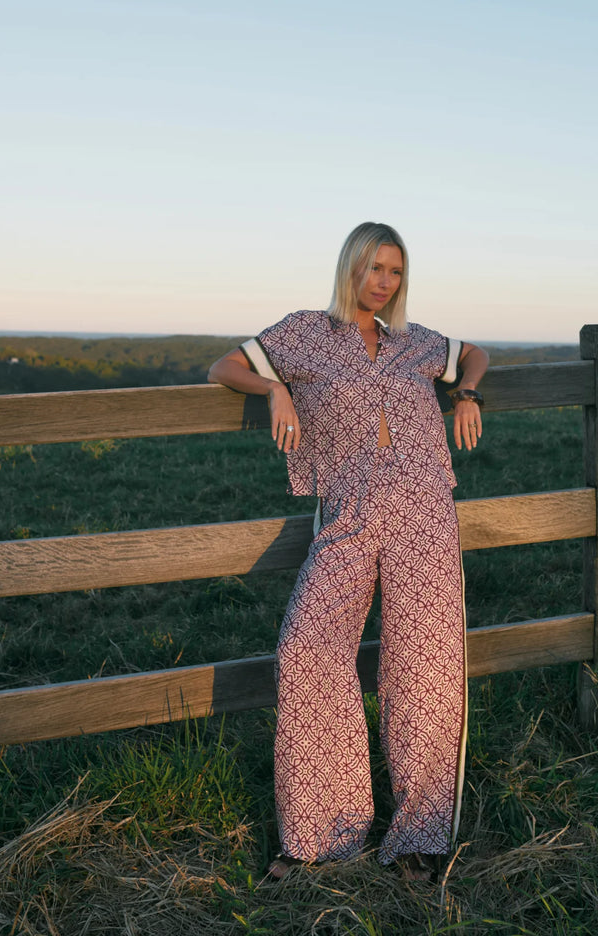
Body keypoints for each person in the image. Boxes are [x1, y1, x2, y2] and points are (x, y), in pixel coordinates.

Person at [208, 222, 488, 880]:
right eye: (372, 268)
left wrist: (467, 392)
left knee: (426, 668)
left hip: (424, 507)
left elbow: (472, 353)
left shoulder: (413, 342)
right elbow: (227, 366)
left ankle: (418, 838)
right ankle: (323, 833)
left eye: (393, 270)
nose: (382, 281)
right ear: (348, 270)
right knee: (307, 647)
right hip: (349, 510)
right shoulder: (307, 332)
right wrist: (274, 387)